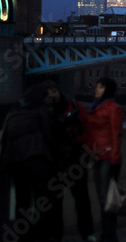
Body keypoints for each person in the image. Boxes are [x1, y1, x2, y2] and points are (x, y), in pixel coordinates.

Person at [0, 80, 63, 242]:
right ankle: (42, 235)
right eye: (47, 97)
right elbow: (49, 138)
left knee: (22, 201)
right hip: (36, 160)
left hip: (16, 162)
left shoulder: (14, 111)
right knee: (43, 200)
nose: (50, 100)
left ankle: (23, 237)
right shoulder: (41, 111)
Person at [52, 88, 95, 242]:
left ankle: (87, 232)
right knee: (57, 200)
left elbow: (87, 127)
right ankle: (56, 235)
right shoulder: (70, 106)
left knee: (81, 196)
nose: (53, 94)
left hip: (74, 154)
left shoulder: (73, 105)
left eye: (54, 90)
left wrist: (86, 149)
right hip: (59, 156)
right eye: (49, 92)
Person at [87, 77, 125, 242]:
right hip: (97, 157)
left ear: (107, 90)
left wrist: (114, 159)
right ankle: (108, 233)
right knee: (103, 198)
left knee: (106, 198)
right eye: (96, 86)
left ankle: (109, 234)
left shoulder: (113, 109)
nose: (97, 90)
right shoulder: (94, 107)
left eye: (100, 87)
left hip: (108, 157)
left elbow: (116, 135)